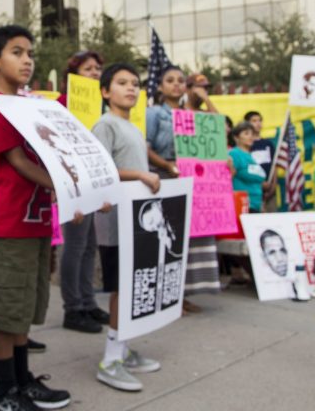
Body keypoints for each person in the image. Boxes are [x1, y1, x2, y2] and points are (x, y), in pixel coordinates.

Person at [0, 25, 73, 411]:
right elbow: (17, 161)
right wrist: (64, 185)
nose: (28, 60)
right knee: (5, 311)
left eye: (30, 53)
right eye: (17, 52)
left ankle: (22, 381)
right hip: (9, 225)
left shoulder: (33, 103)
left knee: (25, 310)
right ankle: (3, 393)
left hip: (37, 224)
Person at [92, 63, 162, 391]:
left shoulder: (132, 127)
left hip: (136, 220)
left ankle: (124, 346)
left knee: (134, 286)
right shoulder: (105, 124)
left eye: (135, 83)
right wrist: (142, 176)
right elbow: (101, 169)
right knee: (122, 288)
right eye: (122, 83)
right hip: (115, 223)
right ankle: (110, 360)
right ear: (106, 91)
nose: (131, 88)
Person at [54, 50, 109, 333]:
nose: (96, 73)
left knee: (89, 246)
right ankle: (72, 308)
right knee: (74, 246)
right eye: (89, 69)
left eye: (98, 68)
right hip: (73, 182)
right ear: (74, 75)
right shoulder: (61, 105)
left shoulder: (101, 107)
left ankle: (88, 302)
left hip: (94, 180)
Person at [181, 73, 222, 308]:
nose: (201, 91)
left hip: (203, 186)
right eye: (198, 87)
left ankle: (192, 292)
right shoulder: (178, 114)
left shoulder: (205, 114)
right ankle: (180, 297)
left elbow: (217, 129)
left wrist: (206, 100)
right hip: (184, 178)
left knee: (200, 240)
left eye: (205, 88)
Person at [146, 65, 186, 178]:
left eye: (181, 81)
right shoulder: (153, 113)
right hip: (160, 176)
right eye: (170, 80)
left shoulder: (190, 115)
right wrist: (167, 165)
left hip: (187, 174)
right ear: (160, 87)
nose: (176, 84)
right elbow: (145, 148)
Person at [229, 122, 267, 213]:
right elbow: (228, 179)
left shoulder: (252, 157)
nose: (250, 137)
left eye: (252, 134)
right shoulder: (234, 154)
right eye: (246, 133)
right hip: (242, 206)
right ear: (236, 137)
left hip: (257, 206)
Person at [244, 111, 278, 212]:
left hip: (269, 191)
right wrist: (259, 184)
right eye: (254, 121)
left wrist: (273, 186)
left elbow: (274, 165)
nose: (258, 123)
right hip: (253, 190)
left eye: (260, 120)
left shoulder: (268, 143)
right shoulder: (246, 145)